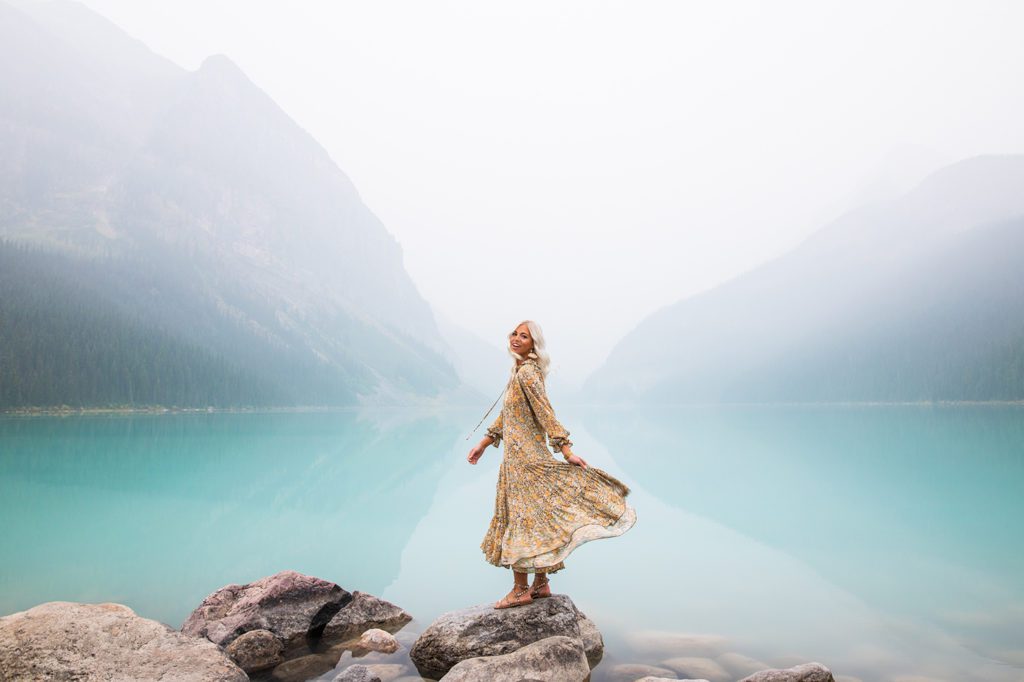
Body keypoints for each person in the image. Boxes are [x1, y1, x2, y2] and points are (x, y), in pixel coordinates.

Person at [466, 320, 637, 609]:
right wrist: (484, 443)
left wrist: (566, 449)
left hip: (527, 462)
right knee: (535, 518)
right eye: (515, 334)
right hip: (517, 461)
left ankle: (520, 590)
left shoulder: (528, 374)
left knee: (521, 520)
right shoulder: (519, 372)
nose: (517, 339)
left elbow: (546, 413)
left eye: (525, 336)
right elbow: (508, 415)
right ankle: (541, 584)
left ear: (534, 344)